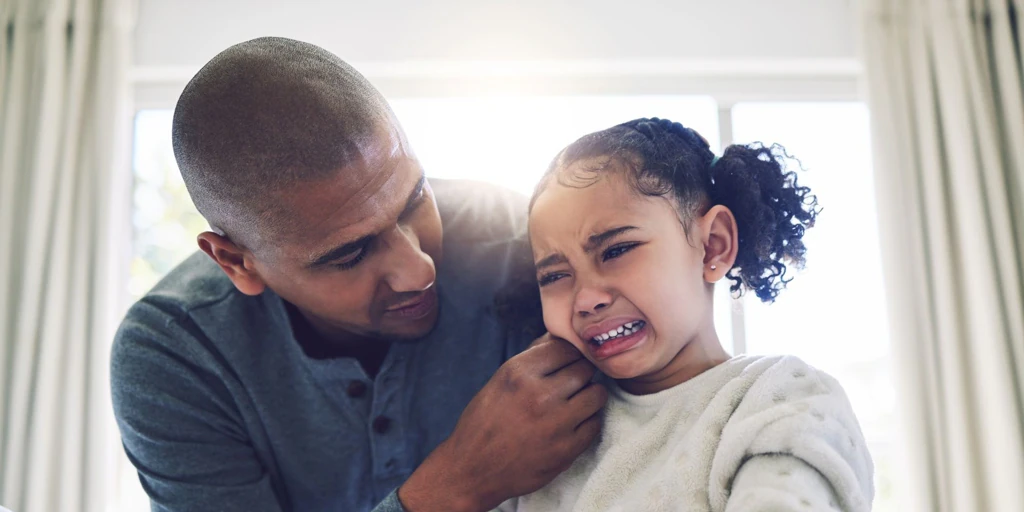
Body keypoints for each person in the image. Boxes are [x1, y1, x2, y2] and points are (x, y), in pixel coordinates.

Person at [109, 37, 607, 512]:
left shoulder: (528, 242)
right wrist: (456, 485)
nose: (418, 270)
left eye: (414, 200)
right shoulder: (176, 351)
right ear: (236, 262)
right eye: (349, 254)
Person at [497, 118, 875, 511]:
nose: (586, 298)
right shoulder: (545, 434)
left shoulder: (783, 399)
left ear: (712, 246)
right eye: (555, 275)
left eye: (616, 250)